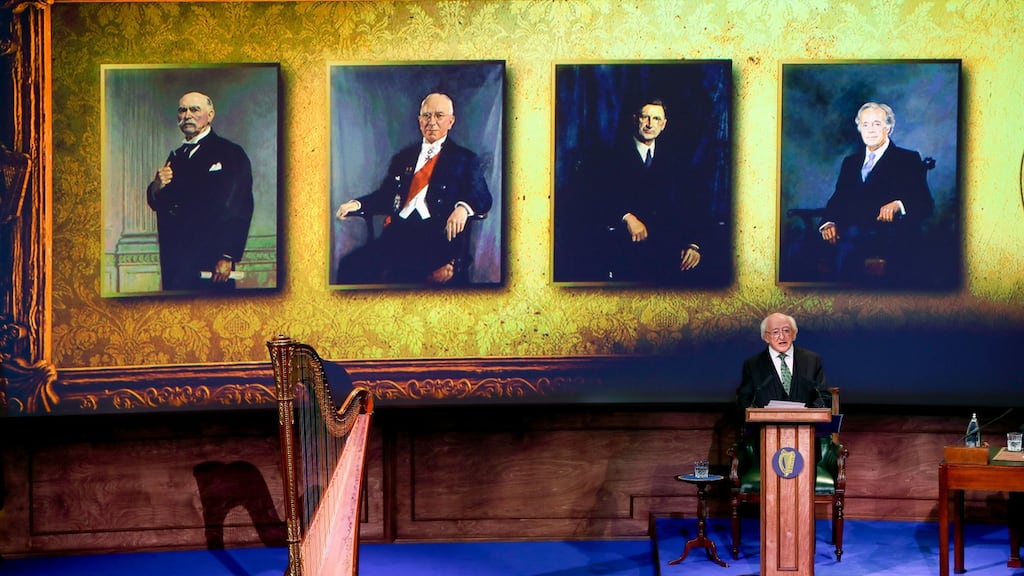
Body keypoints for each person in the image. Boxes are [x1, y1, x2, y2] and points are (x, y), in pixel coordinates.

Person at [334, 92, 492, 285]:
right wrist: (357, 204)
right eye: (426, 116)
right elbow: (386, 195)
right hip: (398, 235)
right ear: (419, 121)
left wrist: (463, 208)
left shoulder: (465, 159)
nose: (431, 122)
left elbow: (483, 196)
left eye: (439, 116)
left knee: (412, 275)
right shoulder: (404, 157)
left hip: (435, 239)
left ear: (451, 122)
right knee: (350, 264)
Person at [146, 91, 254, 291]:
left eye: (195, 109)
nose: (187, 115)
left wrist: (227, 255)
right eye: (182, 110)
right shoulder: (176, 157)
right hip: (175, 262)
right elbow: (161, 203)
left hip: (211, 262)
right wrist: (157, 187)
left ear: (210, 115)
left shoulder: (230, 153)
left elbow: (240, 206)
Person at [817, 102, 934, 283]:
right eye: (865, 125)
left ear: (889, 128)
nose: (870, 130)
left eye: (877, 124)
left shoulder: (907, 159)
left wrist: (898, 204)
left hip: (887, 238)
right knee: (801, 250)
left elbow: (924, 203)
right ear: (859, 129)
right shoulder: (850, 162)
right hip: (848, 235)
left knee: (846, 257)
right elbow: (838, 199)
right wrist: (828, 223)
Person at [736, 312, 831, 410]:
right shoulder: (752, 365)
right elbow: (745, 401)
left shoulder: (812, 360)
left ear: (794, 334)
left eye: (786, 331)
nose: (782, 337)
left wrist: (808, 417)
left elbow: (824, 397)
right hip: (765, 424)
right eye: (775, 332)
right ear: (766, 337)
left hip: (806, 424)